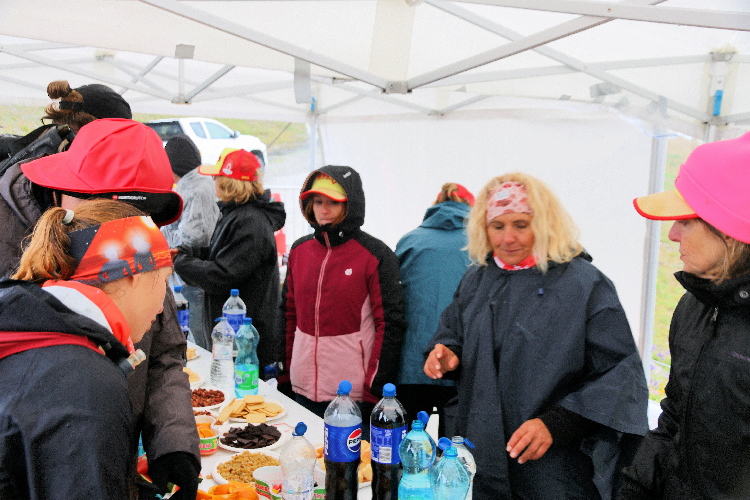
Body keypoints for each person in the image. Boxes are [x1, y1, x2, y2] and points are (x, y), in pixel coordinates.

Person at [0, 117, 200, 499]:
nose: (127, 229)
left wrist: (173, 443)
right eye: (107, 207)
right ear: (63, 194)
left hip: (103, 446)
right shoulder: (10, 239)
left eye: (142, 219)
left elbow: (164, 353)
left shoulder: (138, 255)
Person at [424, 172, 649, 499]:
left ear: (544, 225)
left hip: (556, 466)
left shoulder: (584, 284)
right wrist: (447, 352)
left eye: (521, 225)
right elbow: (452, 329)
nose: (508, 238)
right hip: (484, 454)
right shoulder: (477, 279)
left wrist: (558, 423)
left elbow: (619, 374)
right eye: (497, 226)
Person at [0, 199, 173, 499]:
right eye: (164, 280)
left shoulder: (33, 330)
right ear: (132, 273)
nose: (161, 307)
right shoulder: (85, 382)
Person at [620, 133, 750, 499]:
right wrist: (635, 486)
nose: (673, 234)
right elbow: (674, 416)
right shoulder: (695, 306)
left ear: (729, 231)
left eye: (686, 221)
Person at [282, 166, 406, 434]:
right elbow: (289, 314)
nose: (324, 209)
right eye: (318, 202)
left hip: (352, 394)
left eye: (333, 202)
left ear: (350, 205)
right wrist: (285, 372)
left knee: (349, 459)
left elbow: (390, 324)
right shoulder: (300, 250)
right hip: (302, 385)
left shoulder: (375, 254)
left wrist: (375, 386)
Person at [174, 148, 286, 368]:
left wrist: (181, 262)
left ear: (229, 182)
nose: (213, 180)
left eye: (217, 176)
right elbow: (223, 254)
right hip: (234, 334)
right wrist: (189, 253)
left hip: (245, 339)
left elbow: (222, 275)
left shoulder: (249, 222)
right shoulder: (237, 215)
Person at [395, 182, 474, 437]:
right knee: (455, 448)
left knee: (407, 444)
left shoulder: (410, 241)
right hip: (459, 365)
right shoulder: (479, 245)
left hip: (411, 366)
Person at [161, 133, 220, 348]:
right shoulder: (193, 184)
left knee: (198, 342)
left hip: (193, 279)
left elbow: (195, 237)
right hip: (187, 276)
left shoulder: (197, 188)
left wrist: (163, 233)